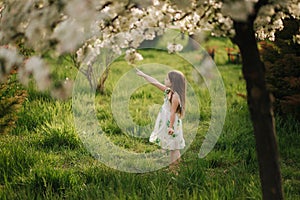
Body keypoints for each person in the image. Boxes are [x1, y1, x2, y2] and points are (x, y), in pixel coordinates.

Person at [136, 68, 186, 173]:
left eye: (167, 79)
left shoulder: (175, 96)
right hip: (167, 121)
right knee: (172, 146)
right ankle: (173, 167)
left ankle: (174, 169)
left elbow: (173, 112)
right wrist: (144, 75)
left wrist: (171, 126)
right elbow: (155, 82)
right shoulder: (169, 91)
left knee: (174, 147)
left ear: (172, 82)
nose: (165, 79)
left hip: (171, 123)